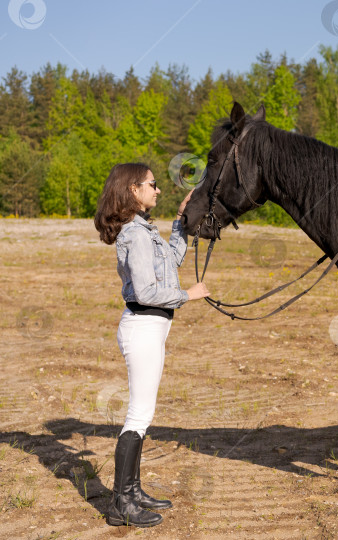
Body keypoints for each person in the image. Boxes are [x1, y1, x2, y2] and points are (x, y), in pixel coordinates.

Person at [93, 163, 210, 527]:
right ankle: (121, 504)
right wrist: (187, 295)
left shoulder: (144, 230)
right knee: (138, 415)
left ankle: (133, 491)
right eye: (153, 184)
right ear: (133, 189)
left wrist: (180, 220)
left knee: (144, 414)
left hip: (150, 328)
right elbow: (145, 291)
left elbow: (171, 261)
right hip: (142, 327)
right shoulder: (136, 234)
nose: (158, 190)